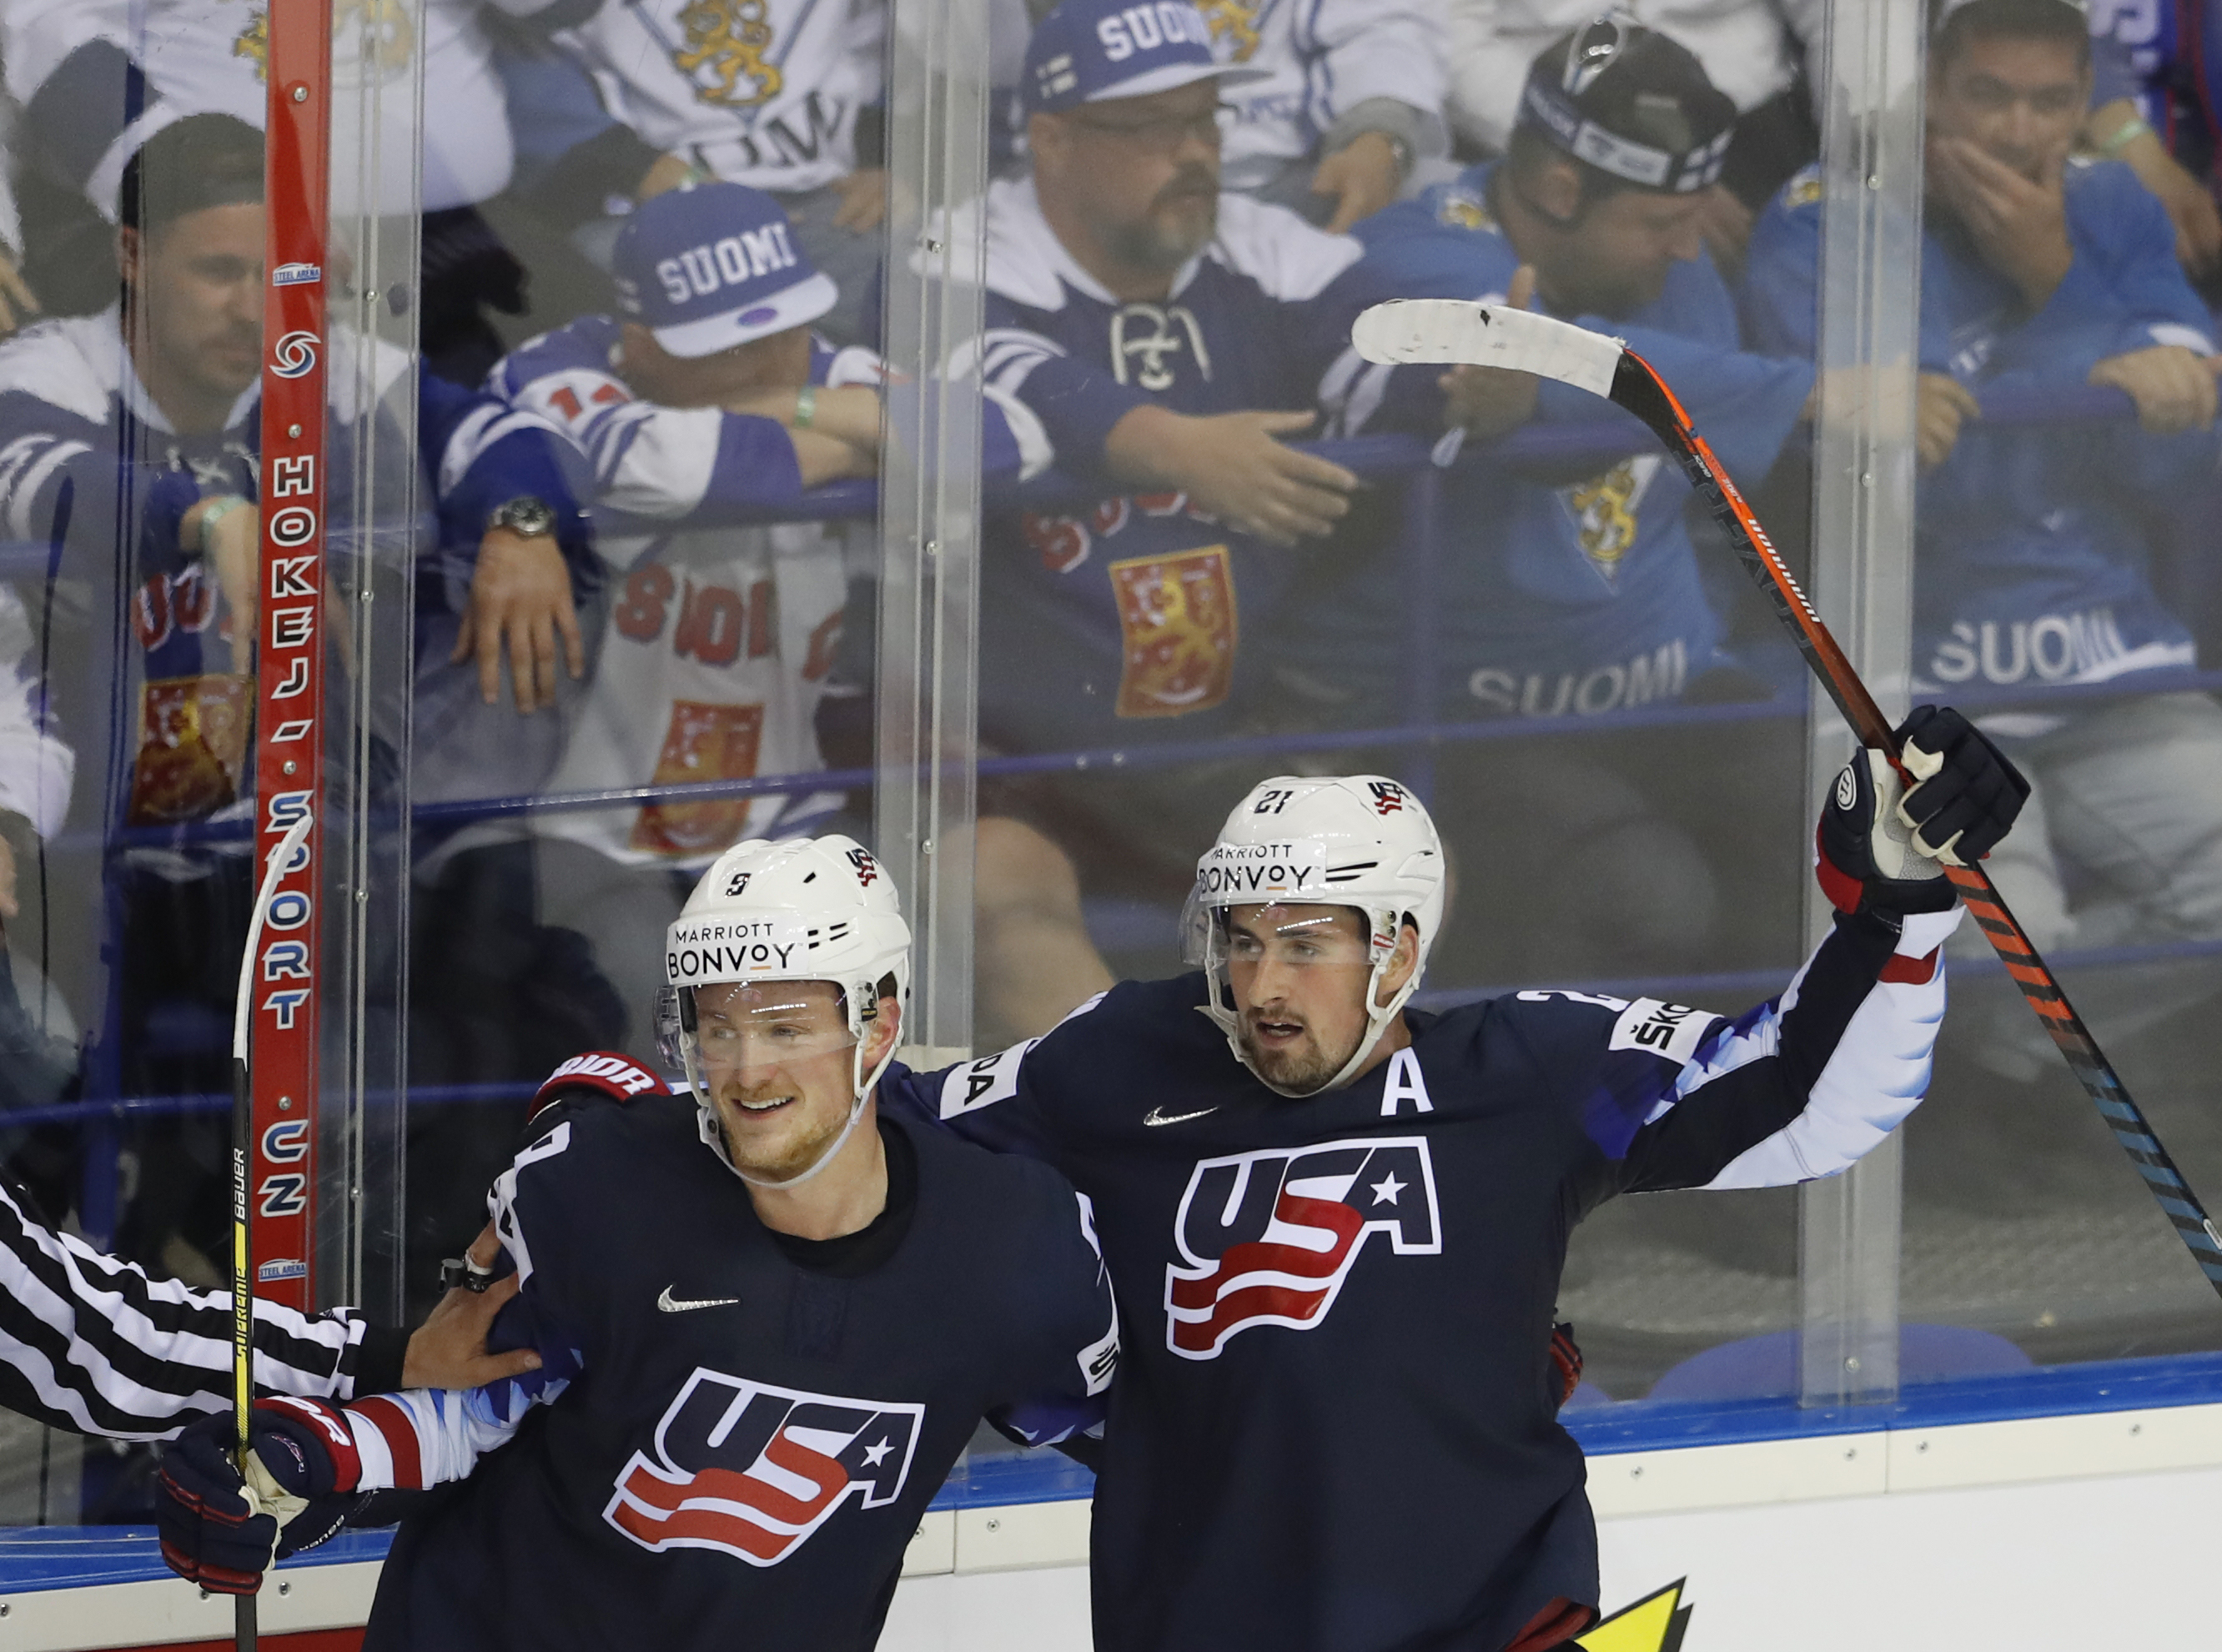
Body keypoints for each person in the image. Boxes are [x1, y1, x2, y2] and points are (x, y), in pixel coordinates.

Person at [869, 722, 2024, 1652]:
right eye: (1241, 940)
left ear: (1403, 950)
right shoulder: (1125, 1059)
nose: (1263, 984)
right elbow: (885, 1131)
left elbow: (1803, 1095)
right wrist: (767, 1031)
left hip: (1490, 1615)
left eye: (1307, 944)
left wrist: (1893, 906)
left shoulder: (1526, 1074)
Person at [154, 835, 1120, 1651]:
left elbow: (1144, 1425)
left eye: (786, 1028)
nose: (747, 1071)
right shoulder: (601, 1187)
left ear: (879, 1025)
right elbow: (468, 1409)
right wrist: (300, 1462)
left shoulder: (1015, 1247)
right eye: (718, 1027)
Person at [0, 112, 586, 1277]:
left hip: (276, 850)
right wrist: (208, 517)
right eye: (220, 272)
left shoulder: (328, 369)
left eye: (281, 278)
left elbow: (500, 433)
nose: (256, 310)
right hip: (92, 866)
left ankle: (408, 1302)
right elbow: (36, 479)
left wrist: (521, 525)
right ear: (132, 256)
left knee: (528, 980)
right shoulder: (53, 368)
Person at [1269, 17, 1861, 982]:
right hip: (1441, 718)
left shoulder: (1677, 275)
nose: (1687, 250)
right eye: (1658, 223)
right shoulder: (1410, 250)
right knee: (1644, 892)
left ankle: (1766, 1074)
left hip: (1661, 693)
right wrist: (1807, 393)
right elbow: (1517, 343)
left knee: (1844, 824)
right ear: (1557, 188)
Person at [933, 0, 1465, 988]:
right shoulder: (961, 252)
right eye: (1152, 128)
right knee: (998, 894)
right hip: (1004, 754)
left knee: (1372, 881)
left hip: (1204, 742)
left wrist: (1466, 382)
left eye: (1205, 120)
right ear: (1052, 140)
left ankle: (1282, 1092)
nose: (1194, 153)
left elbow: (1376, 354)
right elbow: (988, 366)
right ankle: (1124, 1095)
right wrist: (1172, 447)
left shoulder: (1263, 247)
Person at [1743, 0, 2222, 1076]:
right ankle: (2007, 1090)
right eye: (1988, 97)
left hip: (2115, 670)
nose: (2017, 132)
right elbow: (1928, 494)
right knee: (2010, 948)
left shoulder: (2112, 206)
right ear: (1930, 93)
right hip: (1920, 690)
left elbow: (2184, 470)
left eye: (2049, 102)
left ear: (2085, 102)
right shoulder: (1826, 221)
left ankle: (2017, 1074)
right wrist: (2083, 340)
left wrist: (2055, 277)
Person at [487, 0, 889, 344]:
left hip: (828, 198)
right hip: (645, 213)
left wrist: (892, 155)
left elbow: (885, 57)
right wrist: (636, 169)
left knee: (908, 289)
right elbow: (522, 92)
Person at [1444, 1, 1825, 264]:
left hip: (1754, 124)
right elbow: (1452, 43)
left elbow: (1838, 14)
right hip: (1550, 136)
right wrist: (1656, 178)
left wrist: (1854, 145)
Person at [1189, 0, 1450, 231]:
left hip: (1310, 175)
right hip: (1189, 183)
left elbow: (1381, 29)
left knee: (1453, 208)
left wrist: (1379, 134)